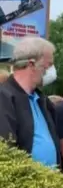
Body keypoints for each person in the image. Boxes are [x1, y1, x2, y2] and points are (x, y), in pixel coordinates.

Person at [0, 37, 59, 169]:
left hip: (51, 183)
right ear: (31, 64)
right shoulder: (4, 97)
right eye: (48, 65)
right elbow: (6, 148)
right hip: (26, 186)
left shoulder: (41, 100)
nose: (51, 71)